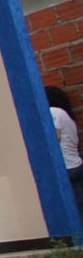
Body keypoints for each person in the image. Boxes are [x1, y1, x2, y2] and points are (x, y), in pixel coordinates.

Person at [46, 86, 83, 220]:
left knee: (71, 209)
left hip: (65, 166)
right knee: (79, 205)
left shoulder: (53, 111)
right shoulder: (68, 115)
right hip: (75, 164)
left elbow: (54, 138)